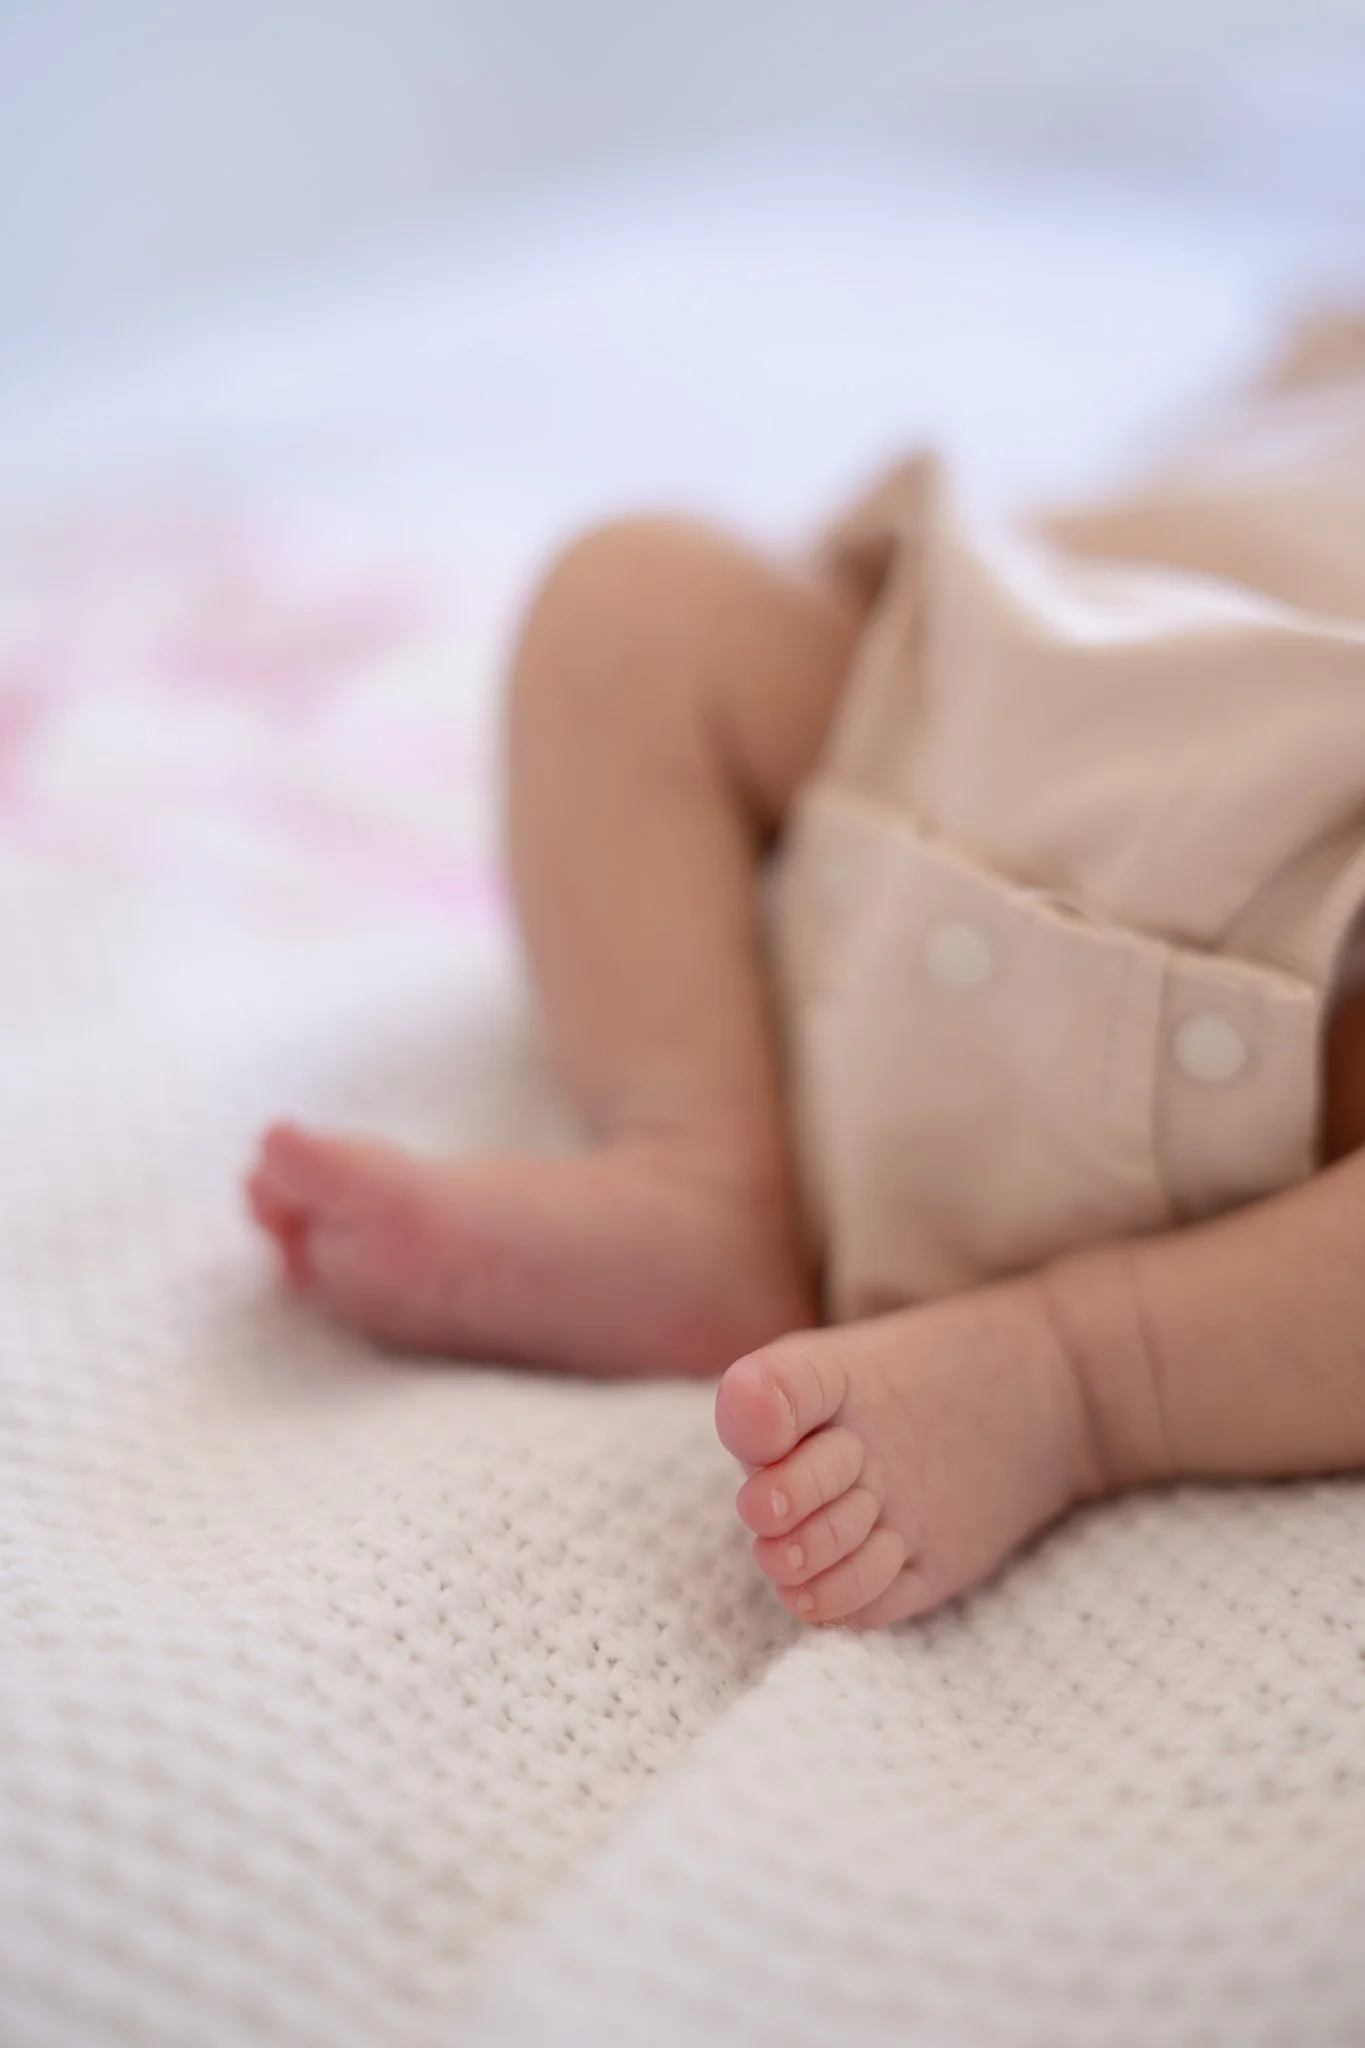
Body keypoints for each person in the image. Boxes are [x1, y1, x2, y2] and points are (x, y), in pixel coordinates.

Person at [247, 312, 1365, 1631]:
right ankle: (703, 1168)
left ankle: (1082, 1376)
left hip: (1322, 963)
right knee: (628, 603)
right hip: (950, 721)